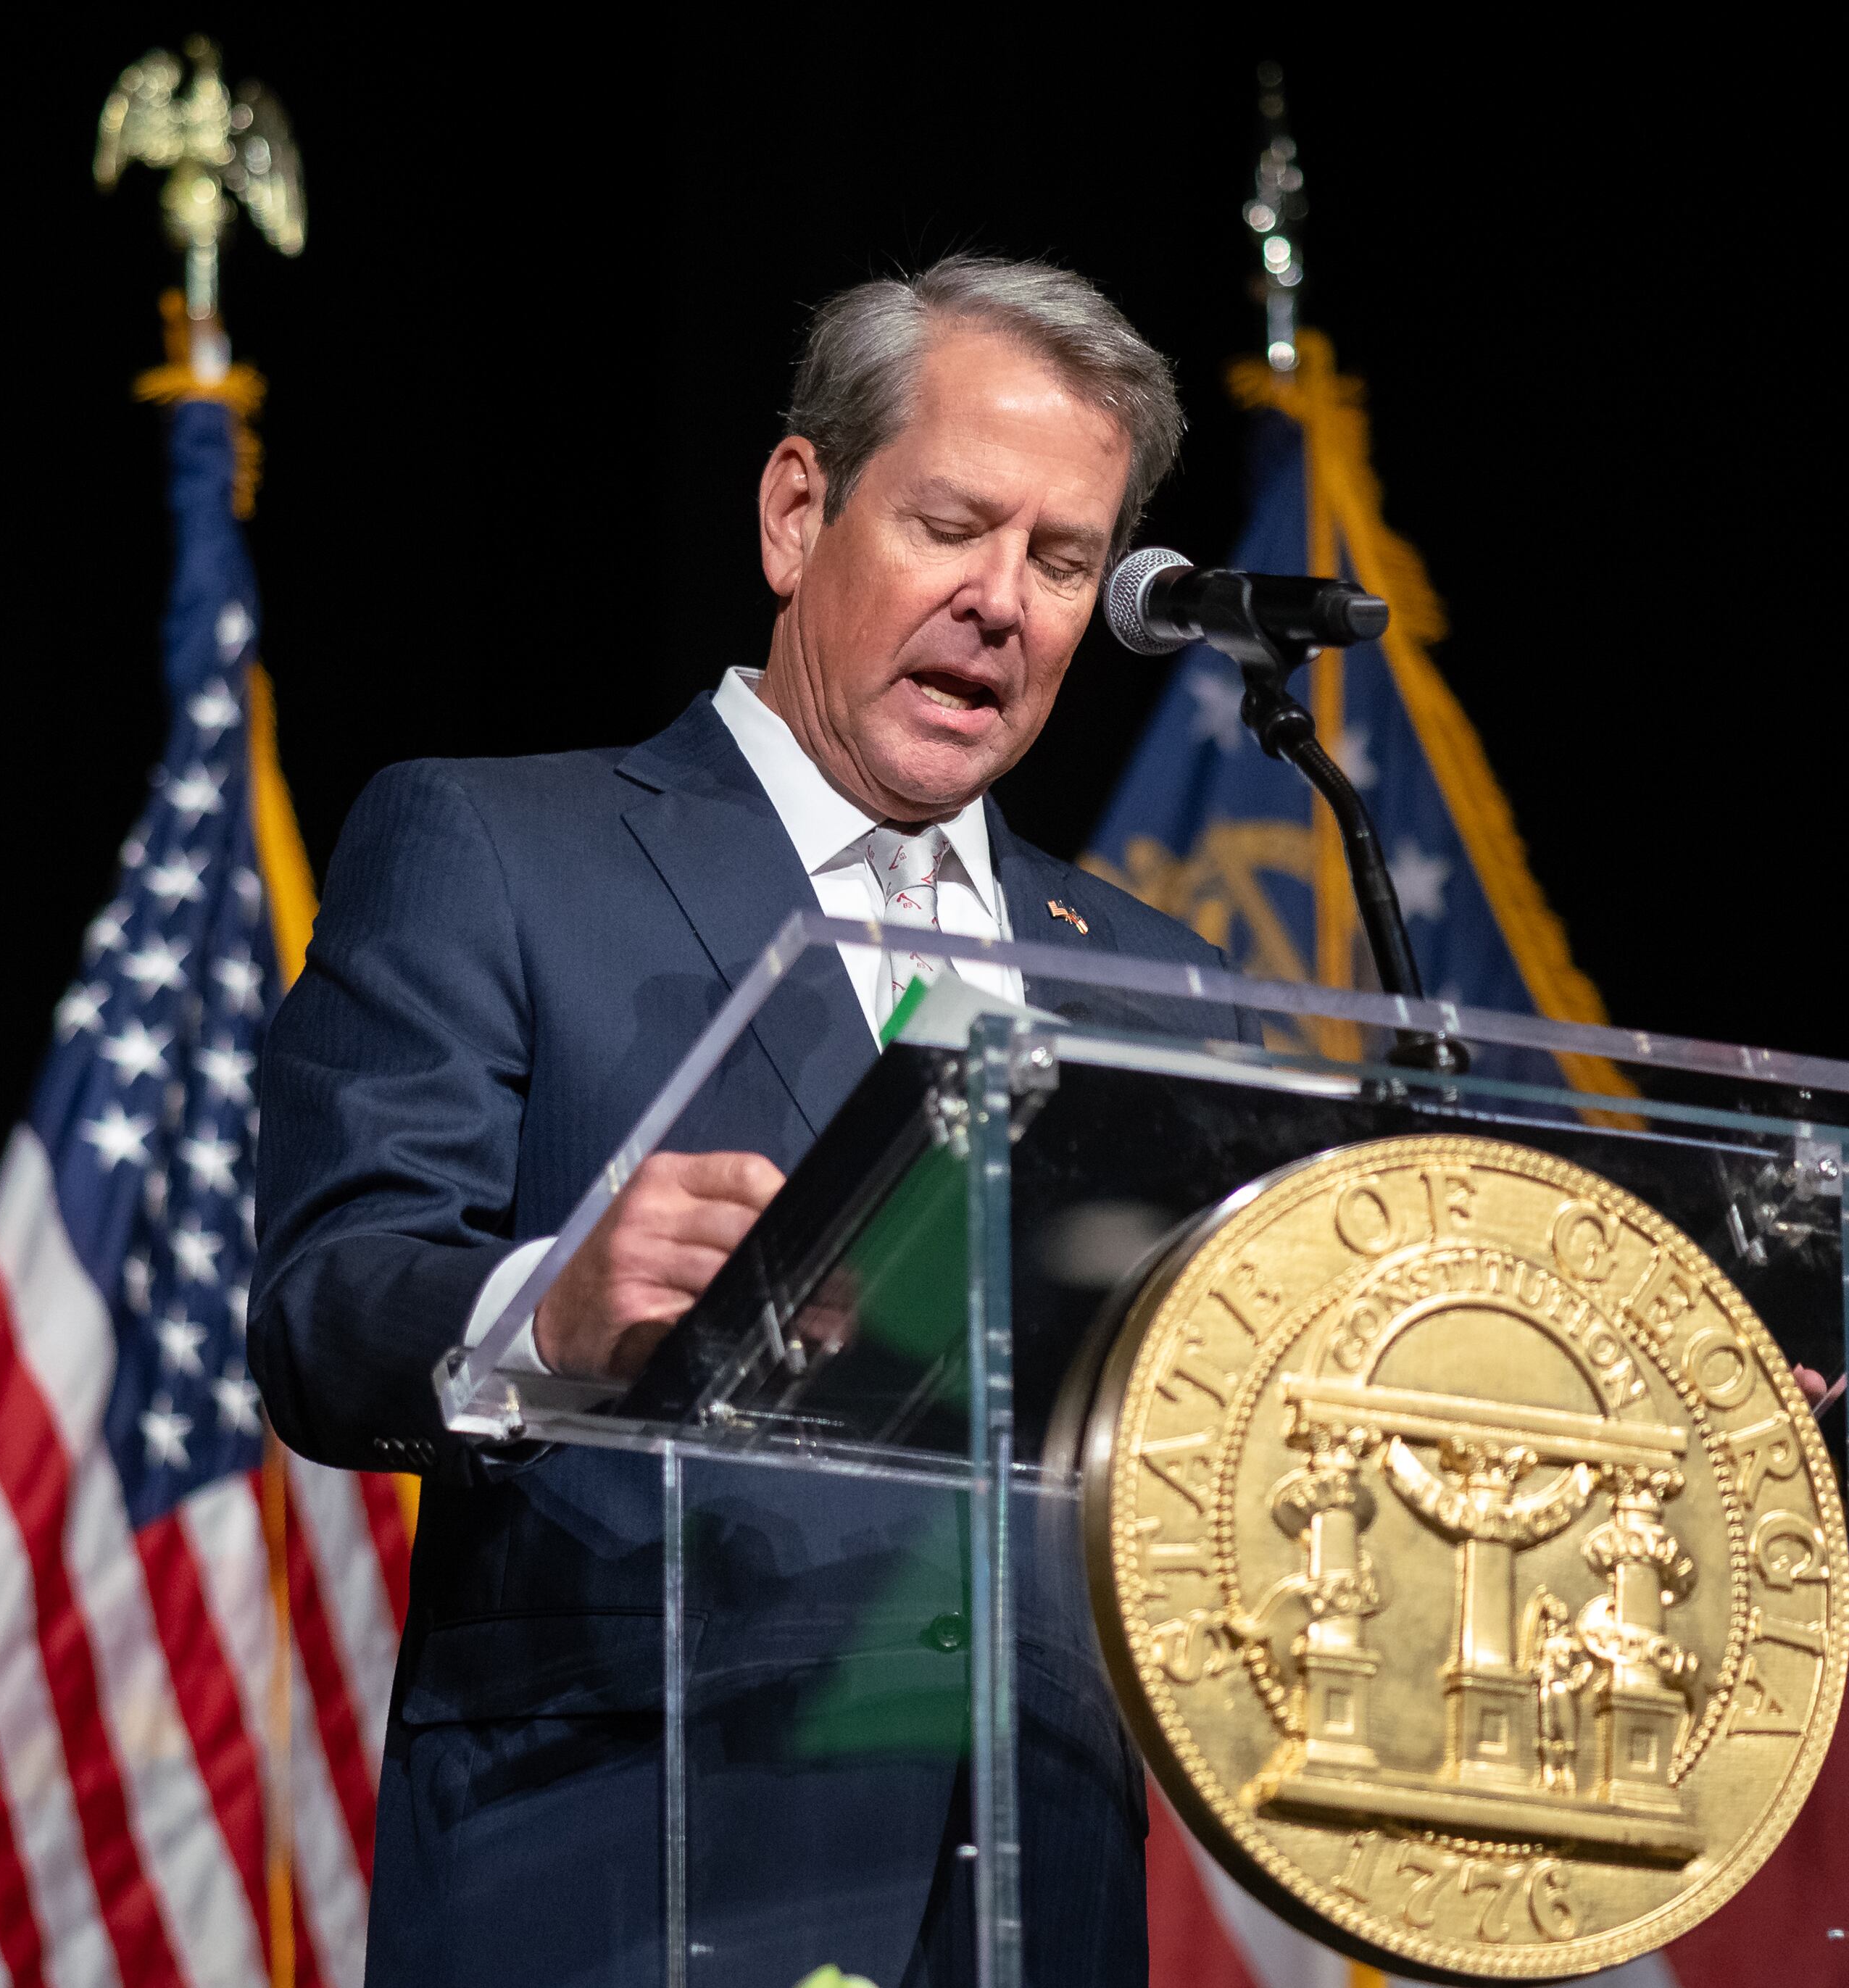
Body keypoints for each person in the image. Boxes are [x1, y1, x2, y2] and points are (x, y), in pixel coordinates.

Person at [250, 255, 1253, 1987]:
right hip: (628, 1872)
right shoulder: (497, 852)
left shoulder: (1160, 978)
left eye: (1063, 558)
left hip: (1039, 1898)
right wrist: (548, 1312)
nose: (1003, 601)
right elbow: (324, 1311)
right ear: (800, 512)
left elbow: (1252, 1396)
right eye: (952, 525)